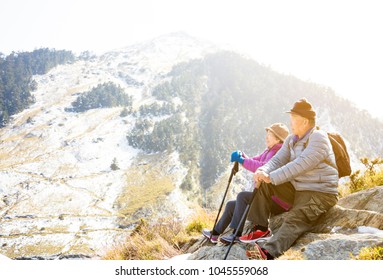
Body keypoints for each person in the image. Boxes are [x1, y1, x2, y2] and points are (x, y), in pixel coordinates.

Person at [243, 98, 339, 260]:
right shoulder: (291, 139)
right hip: (298, 190)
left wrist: (270, 177)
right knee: (263, 185)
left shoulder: (318, 138)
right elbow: (277, 161)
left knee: (296, 217)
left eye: (294, 119)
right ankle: (259, 228)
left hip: (320, 193)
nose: (291, 123)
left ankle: (269, 253)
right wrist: (262, 171)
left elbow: (299, 165)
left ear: (305, 122)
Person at [202, 123, 289, 244]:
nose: (266, 137)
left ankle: (236, 235)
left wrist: (242, 160)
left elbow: (263, 167)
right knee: (231, 205)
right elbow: (255, 160)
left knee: (242, 197)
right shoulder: (269, 150)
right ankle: (215, 234)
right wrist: (243, 157)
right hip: (266, 197)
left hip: (276, 200)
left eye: (269, 134)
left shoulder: (278, 152)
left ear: (278, 138)